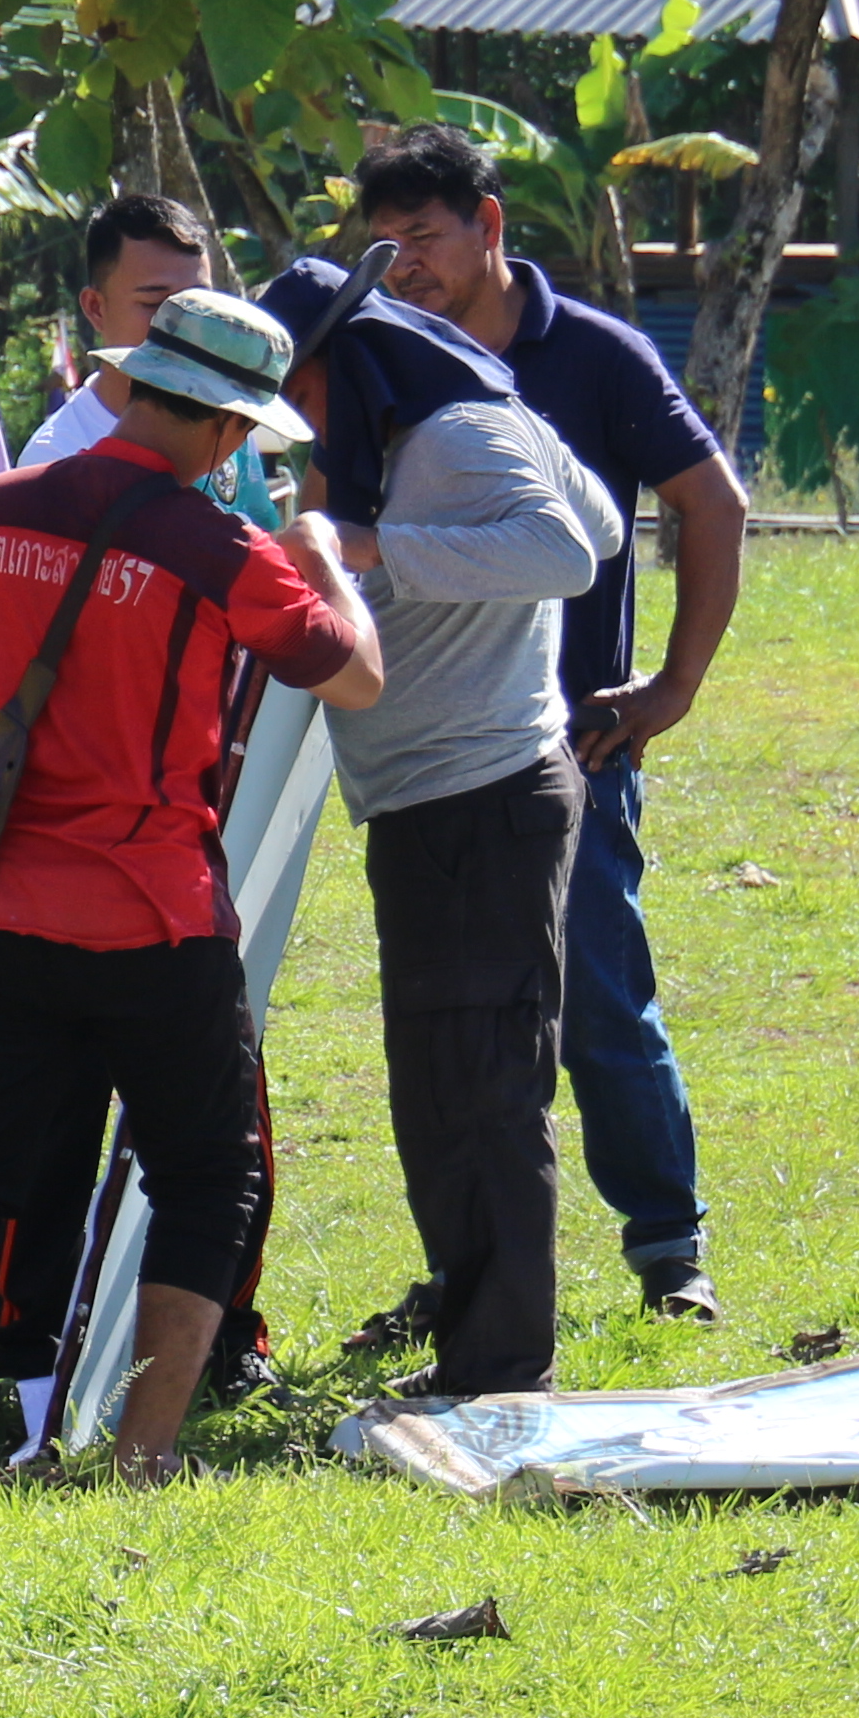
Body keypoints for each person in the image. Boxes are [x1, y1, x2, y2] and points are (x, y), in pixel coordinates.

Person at [0, 289, 384, 1502]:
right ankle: (143, 1454)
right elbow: (356, 677)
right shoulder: (220, 545)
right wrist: (324, 561)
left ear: (134, 383)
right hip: (157, 918)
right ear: (226, 433)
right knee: (210, 1176)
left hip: (0, 914)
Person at [354, 123, 753, 1323]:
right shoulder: (375, 360)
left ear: (490, 227)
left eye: (423, 237)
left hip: (566, 744)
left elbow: (711, 504)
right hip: (424, 752)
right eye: (382, 245)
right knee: (454, 1030)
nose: (404, 265)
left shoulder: (594, 354)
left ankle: (668, 1250)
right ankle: (466, 1274)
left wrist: (672, 687)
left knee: (595, 997)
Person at [252, 261, 619, 1402]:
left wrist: (371, 552)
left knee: (480, 1095)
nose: (297, 420)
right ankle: (481, 1346)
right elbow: (599, 518)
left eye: (299, 389)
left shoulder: (454, 435)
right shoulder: (455, 423)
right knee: (444, 1090)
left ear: (341, 366)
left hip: (481, 801)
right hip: (449, 803)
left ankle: (501, 1370)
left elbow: (567, 553)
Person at [11, 192, 216, 472]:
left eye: (198, 304)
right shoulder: (56, 460)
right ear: (96, 308)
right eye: (155, 304)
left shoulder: (226, 429)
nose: (183, 323)